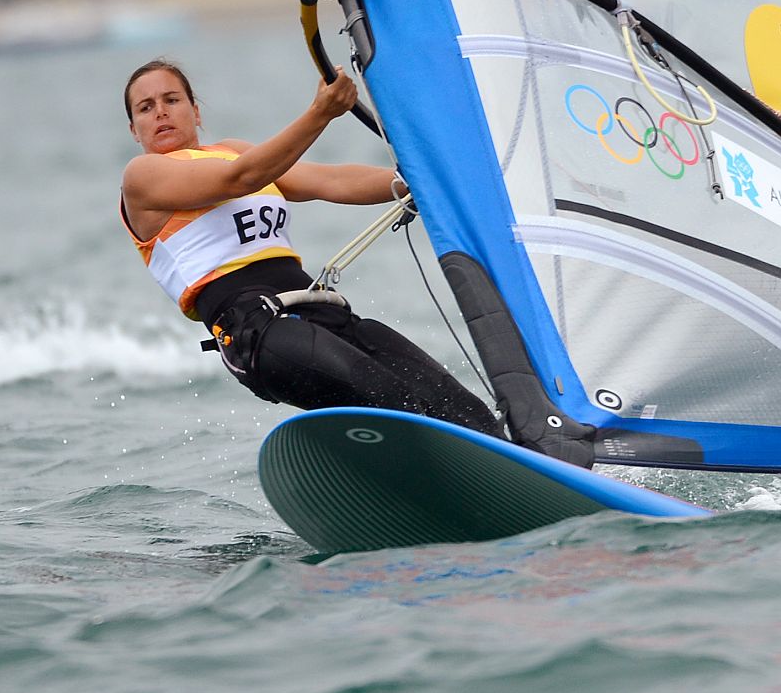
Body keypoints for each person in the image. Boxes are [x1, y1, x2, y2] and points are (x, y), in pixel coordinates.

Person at [118, 58, 501, 435]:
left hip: (320, 313)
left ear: (195, 111)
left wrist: (416, 183)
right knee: (391, 397)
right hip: (256, 334)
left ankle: (515, 467)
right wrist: (320, 113)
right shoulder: (142, 177)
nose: (160, 113)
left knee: (462, 409)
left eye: (172, 100)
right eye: (146, 108)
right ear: (135, 130)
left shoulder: (232, 150)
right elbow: (242, 178)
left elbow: (330, 181)